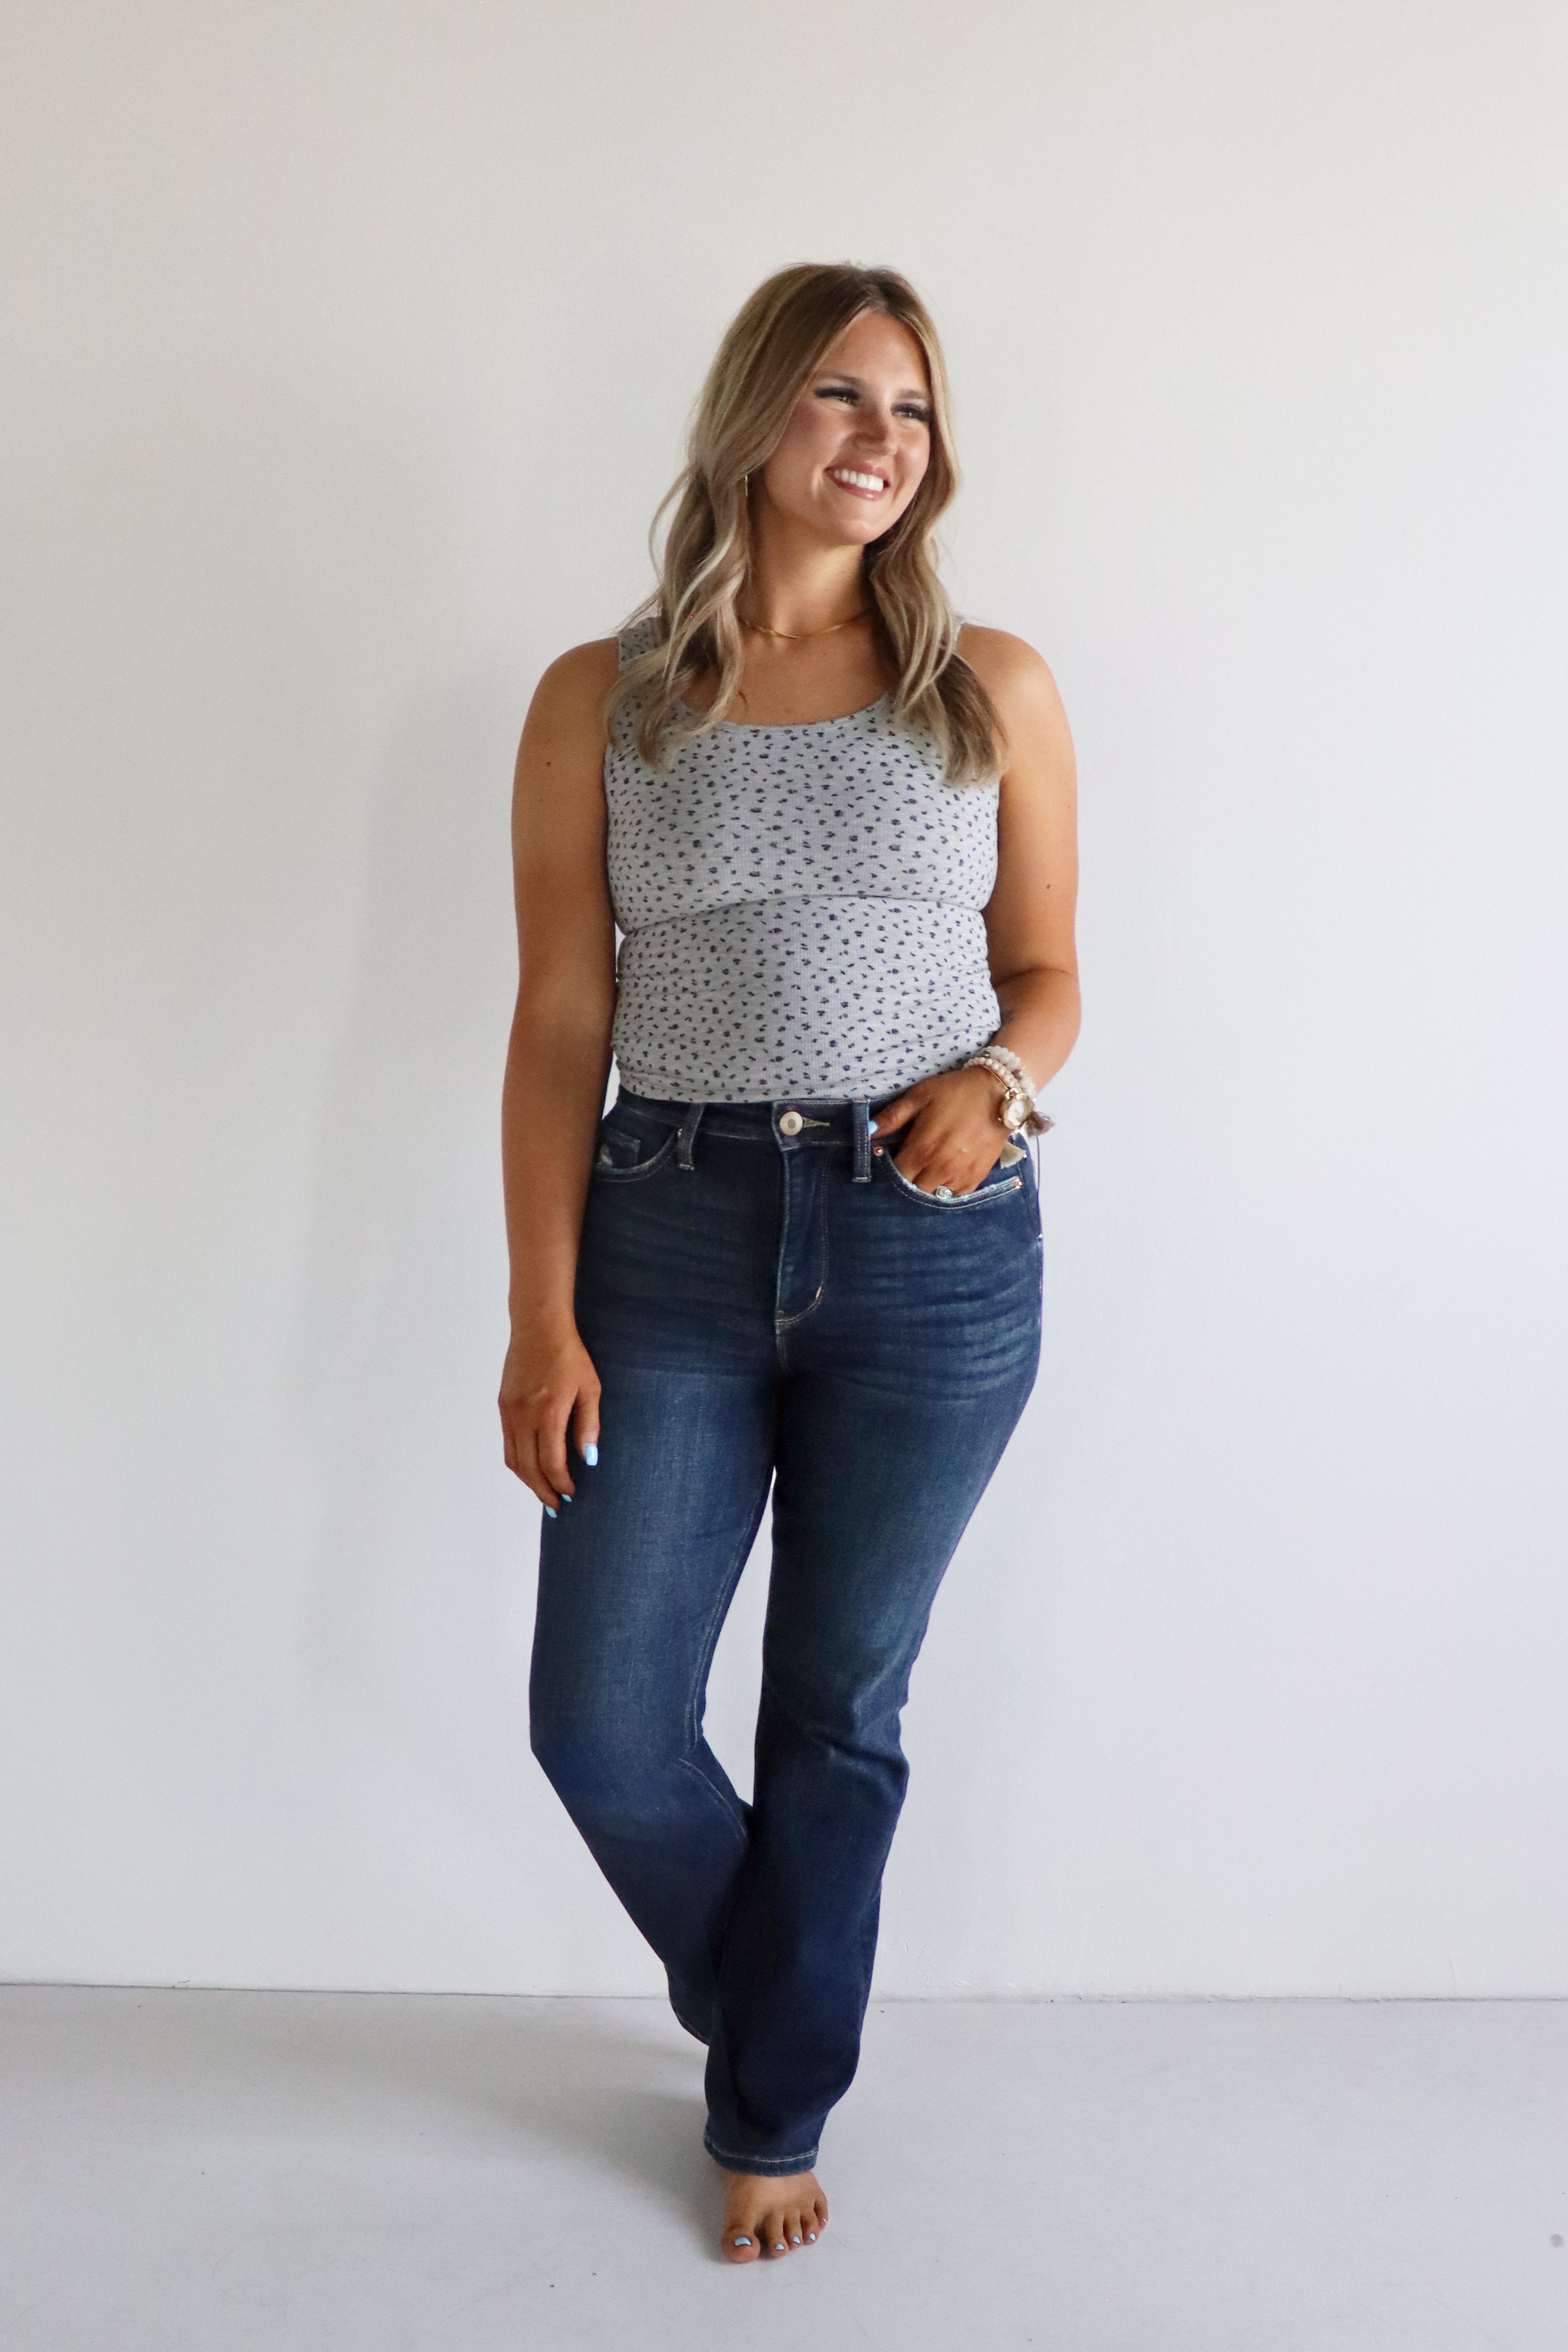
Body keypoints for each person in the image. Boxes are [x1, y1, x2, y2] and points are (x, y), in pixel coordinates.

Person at [498, 261, 1079, 2263]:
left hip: (933, 1245)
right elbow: (560, 1021)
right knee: (600, 1719)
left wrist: (999, 1086)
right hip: (666, 1224)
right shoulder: (603, 696)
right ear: (753, 415)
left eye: (909, 410)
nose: (878, 440)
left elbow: (1050, 973)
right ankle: (777, 2012)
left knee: (837, 1706)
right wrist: (541, 1311)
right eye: (840, 395)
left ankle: (770, 2108)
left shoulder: (987, 683)